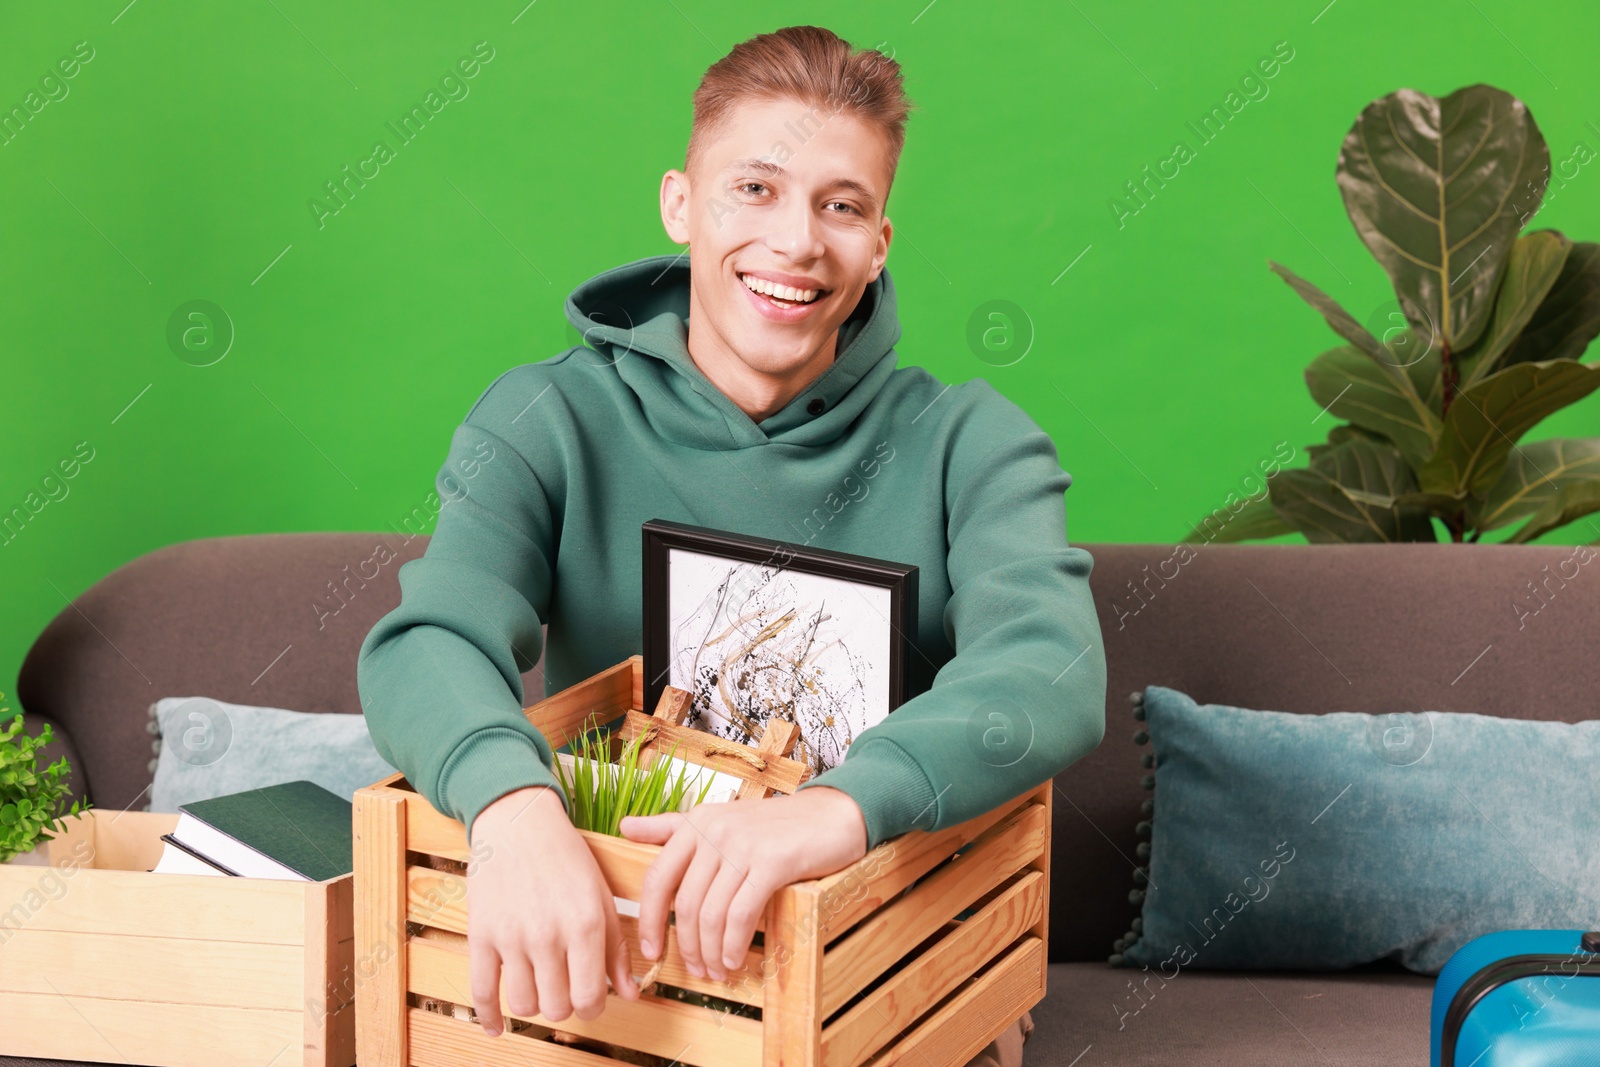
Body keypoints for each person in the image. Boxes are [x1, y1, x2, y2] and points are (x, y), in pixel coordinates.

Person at [356, 24, 1105, 1067]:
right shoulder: (542, 419)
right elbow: (429, 636)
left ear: (879, 240)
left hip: (881, 975)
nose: (798, 241)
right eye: (754, 189)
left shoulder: (973, 444)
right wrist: (512, 808)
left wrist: (838, 808)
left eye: (840, 204)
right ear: (680, 203)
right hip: (619, 981)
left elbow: (1049, 669)